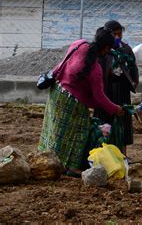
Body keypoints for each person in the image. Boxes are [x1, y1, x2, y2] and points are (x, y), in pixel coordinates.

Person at [38, 27, 125, 177]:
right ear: (106, 48)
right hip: (73, 102)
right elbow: (99, 97)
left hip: (56, 92)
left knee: (54, 129)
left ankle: (45, 158)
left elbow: (63, 64)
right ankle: (71, 166)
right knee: (79, 131)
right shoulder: (95, 69)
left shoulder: (78, 44)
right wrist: (116, 109)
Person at [94, 20, 139, 155]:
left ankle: (122, 155)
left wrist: (134, 80)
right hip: (106, 90)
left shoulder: (125, 49)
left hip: (122, 89)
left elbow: (133, 66)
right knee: (104, 121)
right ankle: (103, 153)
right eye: (115, 34)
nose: (118, 37)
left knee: (123, 122)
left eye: (120, 34)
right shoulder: (103, 49)